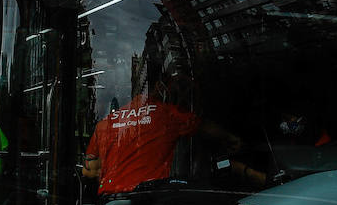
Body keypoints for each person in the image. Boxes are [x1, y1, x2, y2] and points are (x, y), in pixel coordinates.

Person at [82, 68, 259, 195]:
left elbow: (87, 170)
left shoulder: (105, 124)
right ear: (158, 87)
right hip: (148, 203)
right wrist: (233, 139)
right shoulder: (165, 114)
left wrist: (111, 173)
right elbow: (202, 125)